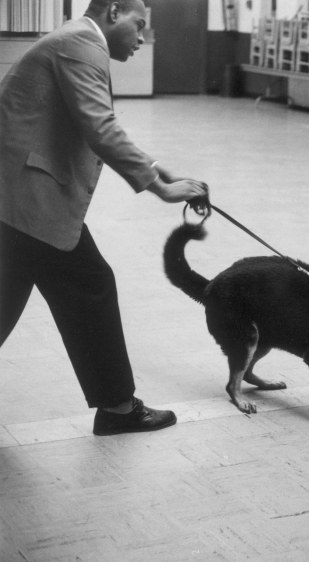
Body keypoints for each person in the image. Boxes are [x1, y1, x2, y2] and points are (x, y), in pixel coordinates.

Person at [0, 0, 209, 435]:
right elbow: (100, 125)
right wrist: (161, 187)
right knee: (90, 285)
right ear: (114, 12)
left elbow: (95, 123)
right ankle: (117, 408)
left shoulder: (74, 40)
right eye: (139, 25)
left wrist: (155, 167)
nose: (143, 37)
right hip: (30, 198)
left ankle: (116, 405)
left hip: (17, 195)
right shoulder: (80, 43)